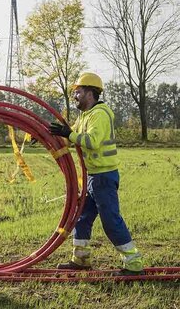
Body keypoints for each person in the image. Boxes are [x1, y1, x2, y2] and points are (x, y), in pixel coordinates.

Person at [50, 72, 144, 276]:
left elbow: (92, 141)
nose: (75, 96)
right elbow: (70, 139)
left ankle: (133, 264)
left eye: (79, 92)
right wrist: (47, 136)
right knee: (82, 217)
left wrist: (69, 134)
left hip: (103, 177)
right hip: (92, 177)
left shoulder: (100, 114)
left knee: (111, 220)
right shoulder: (85, 116)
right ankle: (81, 259)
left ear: (90, 93)